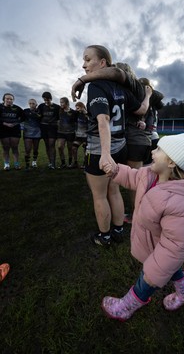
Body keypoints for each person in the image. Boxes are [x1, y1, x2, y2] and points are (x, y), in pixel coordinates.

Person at [101, 133, 184, 321]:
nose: (152, 152)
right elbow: (133, 177)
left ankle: (126, 306)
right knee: (173, 266)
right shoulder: (152, 174)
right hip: (155, 244)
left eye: (158, 149)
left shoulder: (182, 205)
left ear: (171, 163)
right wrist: (116, 171)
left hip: (162, 251)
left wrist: (153, 271)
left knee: (149, 276)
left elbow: (175, 247)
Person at [72, 45, 152, 247]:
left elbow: (103, 119)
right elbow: (142, 109)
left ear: (102, 63)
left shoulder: (96, 86)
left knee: (99, 196)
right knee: (114, 191)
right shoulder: (123, 89)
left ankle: (104, 236)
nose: (84, 65)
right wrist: (148, 95)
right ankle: (118, 230)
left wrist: (105, 154)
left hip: (102, 148)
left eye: (88, 59)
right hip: (121, 145)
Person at [0, 93, 24, 170]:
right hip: (3, 130)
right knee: (5, 148)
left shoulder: (17, 108)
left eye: (11, 99)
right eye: (7, 99)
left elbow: (23, 117)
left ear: (13, 100)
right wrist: (5, 123)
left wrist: (15, 123)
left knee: (15, 147)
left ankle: (16, 164)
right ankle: (6, 164)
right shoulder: (0, 107)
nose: (9, 100)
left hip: (15, 130)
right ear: (4, 99)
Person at [38, 92, 60, 169]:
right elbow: (39, 116)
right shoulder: (41, 106)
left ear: (51, 98)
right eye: (44, 100)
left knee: (52, 145)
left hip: (53, 128)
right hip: (44, 127)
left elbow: (59, 117)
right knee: (47, 145)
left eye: (47, 100)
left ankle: (53, 163)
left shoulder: (56, 107)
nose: (46, 101)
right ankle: (50, 162)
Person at [57, 97, 77, 169]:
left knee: (70, 148)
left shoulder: (73, 112)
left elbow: (76, 122)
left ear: (67, 103)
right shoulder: (59, 110)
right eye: (60, 102)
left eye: (62, 102)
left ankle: (70, 163)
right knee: (60, 147)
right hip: (61, 132)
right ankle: (63, 163)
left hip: (70, 133)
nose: (61, 104)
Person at [23, 98, 41, 170]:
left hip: (37, 133)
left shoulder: (40, 112)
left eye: (33, 103)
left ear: (36, 104)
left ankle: (34, 162)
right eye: (30, 103)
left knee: (35, 149)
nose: (31, 105)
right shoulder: (25, 111)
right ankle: (27, 165)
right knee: (27, 149)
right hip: (27, 133)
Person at [71, 101, 88, 169]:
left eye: (78, 108)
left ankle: (85, 163)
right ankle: (75, 163)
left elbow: (90, 120)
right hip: (79, 135)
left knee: (85, 149)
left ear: (82, 107)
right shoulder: (77, 114)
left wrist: (85, 112)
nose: (77, 109)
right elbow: (72, 118)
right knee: (74, 148)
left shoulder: (87, 113)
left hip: (86, 135)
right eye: (76, 108)